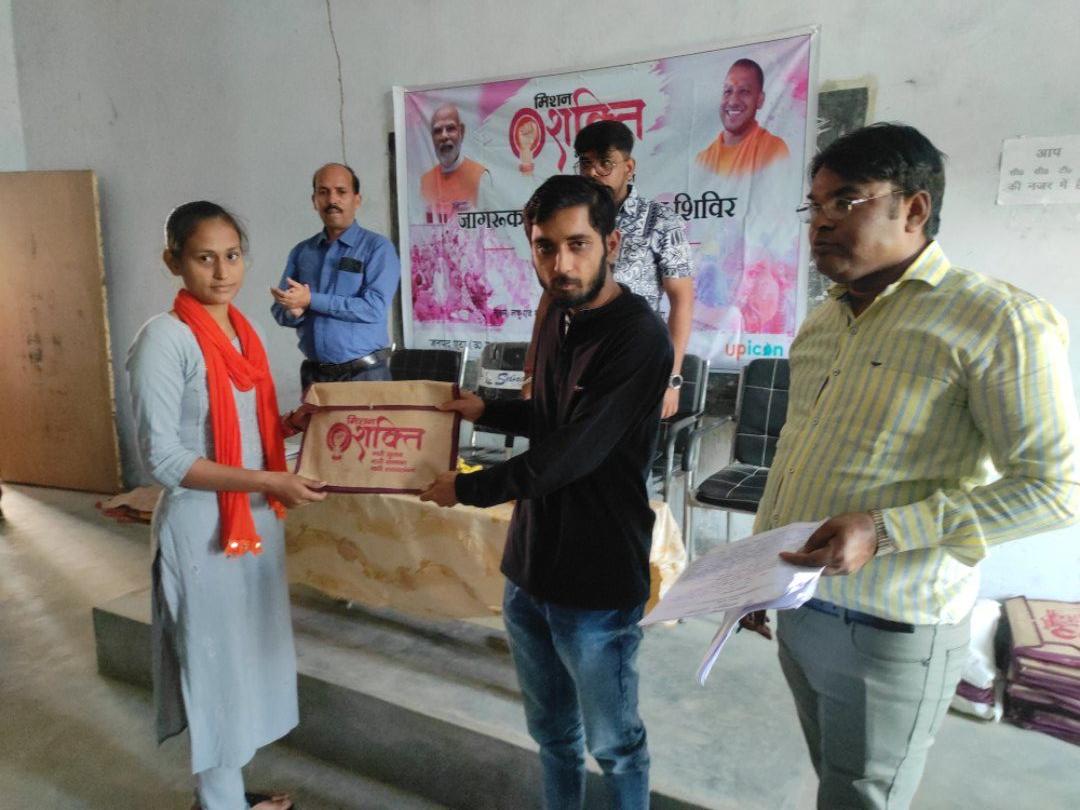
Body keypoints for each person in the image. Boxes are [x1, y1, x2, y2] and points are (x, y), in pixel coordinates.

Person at [751, 123, 1079, 809]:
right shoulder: (824, 321)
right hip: (800, 606)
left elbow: (1056, 489)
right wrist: (756, 572)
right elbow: (799, 454)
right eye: (815, 205)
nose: (821, 223)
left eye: (846, 201)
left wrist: (884, 530)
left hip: (890, 627)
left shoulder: (998, 322)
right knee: (835, 781)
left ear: (915, 208)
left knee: (865, 796)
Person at [419, 175, 672, 810]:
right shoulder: (559, 315)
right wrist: (488, 408)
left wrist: (469, 488)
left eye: (577, 244)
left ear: (612, 243)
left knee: (616, 746)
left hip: (596, 582)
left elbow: (576, 450)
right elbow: (553, 417)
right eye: (545, 247)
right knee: (553, 736)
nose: (561, 264)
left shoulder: (640, 338)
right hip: (530, 569)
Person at [128, 201, 327, 810]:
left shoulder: (245, 332)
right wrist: (266, 481)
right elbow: (164, 459)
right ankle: (219, 802)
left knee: (243, 666)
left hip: (253, 521)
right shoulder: (165, 339)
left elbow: (244, 427)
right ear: (173, 262)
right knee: (214, 673)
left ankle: (228, 794)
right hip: (202, 530)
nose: (222, 272)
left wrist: (295, 424)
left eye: (233, 255)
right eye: (204, 258)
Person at [525, 119, 693, 418]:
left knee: (614, 444)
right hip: (569, 359)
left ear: (628, 167)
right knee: (556, 439)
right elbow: (551, 296)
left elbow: (681, 300)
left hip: (631, 359)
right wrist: (532, 372)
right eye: (585, 163)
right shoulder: (568, 216)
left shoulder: (661, 221)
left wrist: (672, 379)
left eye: (605, 163)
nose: (592, 172)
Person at [271, 163, 400, 391]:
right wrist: (293, 311)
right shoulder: (302, 251)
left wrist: (311, 300)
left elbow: (373, 308)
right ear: (314, 201)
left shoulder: (377, 248)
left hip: (365, 376)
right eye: (323, 192)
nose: (332, 200)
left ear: (357, 200)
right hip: (316, 377)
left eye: (341, 192)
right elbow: (281, 310)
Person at [696, 58, 789, 176]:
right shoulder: (703, 160)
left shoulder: (774, 151)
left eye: (744, 91)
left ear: (760, 100)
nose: (733, 101)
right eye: (728, 91)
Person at [419, 103, 490, 221]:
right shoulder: (426, 182)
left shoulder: (480, 176)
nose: (444, 136)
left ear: (461, 131)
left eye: (450, 128)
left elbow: (490, 227)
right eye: (438, 131)